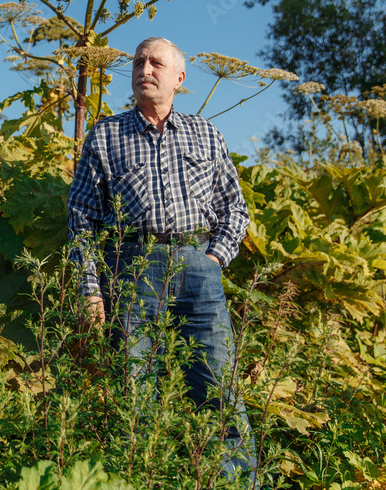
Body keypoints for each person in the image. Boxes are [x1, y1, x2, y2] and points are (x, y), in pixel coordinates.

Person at [67, 36, 257, 477]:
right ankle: (147, 478)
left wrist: (213, 260)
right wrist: (91, 290)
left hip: (198, 268)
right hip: (133, 268)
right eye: (138, 62)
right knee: (135, 393)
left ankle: (234, 484)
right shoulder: (107, 134)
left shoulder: (206, 133)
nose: (144, 69)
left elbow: (235, 208)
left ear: (179, 78)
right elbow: (81, 219)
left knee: (218, 388)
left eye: (156, 63)